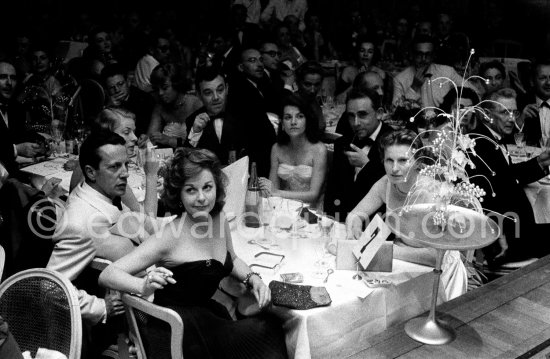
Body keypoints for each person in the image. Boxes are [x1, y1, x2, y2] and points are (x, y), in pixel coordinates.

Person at [99, 148, 287, 359]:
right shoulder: (171, 235)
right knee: (267, 331)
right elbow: (108, 274)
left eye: (207, 187)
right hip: (178, 330)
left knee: (271, 325)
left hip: (207, 317)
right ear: (178, 194)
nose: (201, 198)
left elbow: (230, 258)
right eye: (191, 190)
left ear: (217, 187)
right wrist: (143, 286)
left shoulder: (219, 218)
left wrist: (254, 279)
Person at [47, 130, 167, 357]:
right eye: (114, 167)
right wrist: (100, 307)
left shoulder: (100, 192)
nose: (124, 175)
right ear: (91, 172)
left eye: (126, 165)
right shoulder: (80, 222)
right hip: (126, 319)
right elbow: (51, 287)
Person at [346, 129, 467, 301]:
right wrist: (356, 228)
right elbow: (355, 215)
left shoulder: (432, 194)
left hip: (440, 274)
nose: (394, 168)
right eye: (389, 160)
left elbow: (435, 257)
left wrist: (388, 250)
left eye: (403, 160)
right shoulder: (385, 184)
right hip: (406, 263)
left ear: (418, 163)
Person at [470, 88, 550, 265]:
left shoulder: (489, 138)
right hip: (508, 236)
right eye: (504, 113)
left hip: (515, 228)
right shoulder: (480, 144)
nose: (512, 119)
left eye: (514, 112)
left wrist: (541, 162)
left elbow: (506, 174)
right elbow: (497, 192)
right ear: (486, 115)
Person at [68, 107, 158, 215]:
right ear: (108, 135)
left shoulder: (90, 160)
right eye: (126, 132)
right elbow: (148, 217)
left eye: (134, 131)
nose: (134, 138)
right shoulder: (106, 177)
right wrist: (152, 174)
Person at [324, 89, 391, 221]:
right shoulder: (342, 143)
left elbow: (394, 191)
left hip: (378, 226)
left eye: (362, 115)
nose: (355, 123)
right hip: (341, 222)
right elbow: (332, 191)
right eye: (351, 116)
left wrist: (367, 165)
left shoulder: (393, 143)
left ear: (379, 113)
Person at [259, 94, 327, 208]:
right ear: (282, 123)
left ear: (307, 120)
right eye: (288, 117)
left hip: (312, 210)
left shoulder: (319, 149)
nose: (293, 122)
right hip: (285, 207)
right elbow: (272, 190)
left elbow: (313, 195)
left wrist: (278, 193)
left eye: (299, 116)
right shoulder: (276, 148)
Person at [228, 48, 277, 177]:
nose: (259, 64)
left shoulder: (257, 86)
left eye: (260, 60)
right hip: (254, 160)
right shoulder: (242, 92)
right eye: (252, 60)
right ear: (241, 67)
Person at [185, 66, 243, 166]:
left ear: (227, 89)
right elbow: (187, 160)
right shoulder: (192, 120)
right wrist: (195, 132)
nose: (216, 97)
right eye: (208, 93)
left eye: (220, 90)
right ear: (199, 95)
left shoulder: (243, 115)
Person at [392, 35, 466, 109]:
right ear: (412, 55)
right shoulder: (399, 80)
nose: (423, 59)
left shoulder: (447, 72)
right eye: (419, 54)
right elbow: (395, 112)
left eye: (427, 55)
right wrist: (414, 87)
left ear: (433, 55)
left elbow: (474, 92)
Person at [148, 63, 202, 149]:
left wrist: (169, 140)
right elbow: (150, 139)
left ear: (177, 84)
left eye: (165, 88)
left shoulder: (195, 104)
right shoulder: (159, 107)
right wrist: (146, 140)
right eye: (157, 89)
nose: (160, 93)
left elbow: (201, 143)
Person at [101, 63, 155, 137]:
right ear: (106, 90)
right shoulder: (106, 102)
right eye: (111, 87)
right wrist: (109, 108)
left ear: (128, 82)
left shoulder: (145, 99)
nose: (117, 90)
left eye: (120, 84)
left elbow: (143, 131)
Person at [518, 58, 550, 146]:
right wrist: (520, 120)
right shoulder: (520, 102)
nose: (548, 82)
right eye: (543, 78)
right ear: (532, 81)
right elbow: (508, 139)